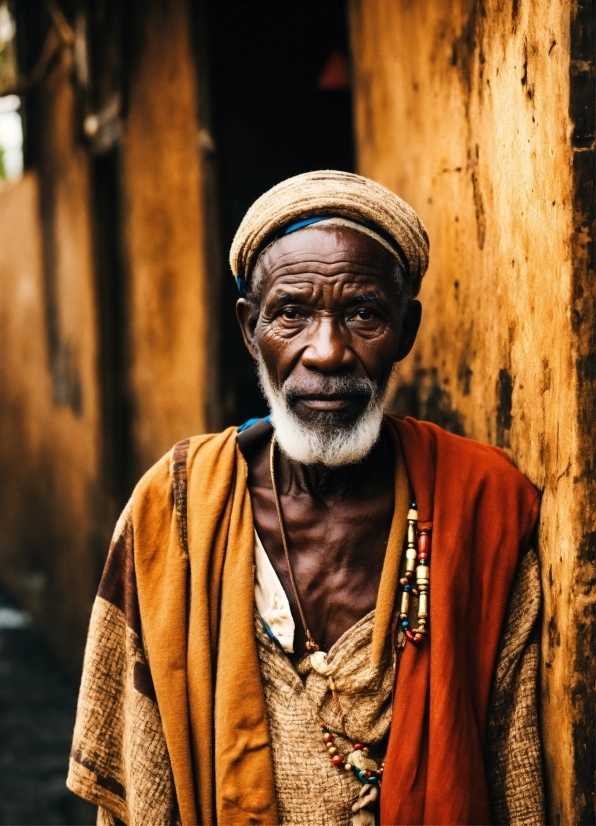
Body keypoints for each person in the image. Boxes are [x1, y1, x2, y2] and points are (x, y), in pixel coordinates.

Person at [67, 171, 544, 826]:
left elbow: (515, 773)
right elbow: (137, 785)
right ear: (248, 328)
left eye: (364, 315)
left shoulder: (481, 503)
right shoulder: (174, 509)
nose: (327, 352)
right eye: (291, 314)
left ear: (406, 331)